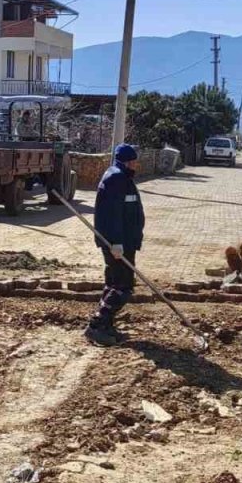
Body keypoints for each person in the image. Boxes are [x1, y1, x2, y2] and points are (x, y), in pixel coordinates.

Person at [85, 143, 146, 346]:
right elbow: (111, 216)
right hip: (118, 244)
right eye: (134, 161)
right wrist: (116, 243)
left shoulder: (120, 176)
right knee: (123, 286)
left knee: (114, 283)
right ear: (127, 161)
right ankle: (97, 325)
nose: (136, 164)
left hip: (123, 242)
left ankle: (106, 324)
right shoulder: (116, 179)